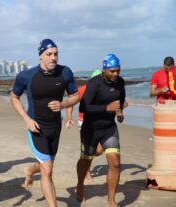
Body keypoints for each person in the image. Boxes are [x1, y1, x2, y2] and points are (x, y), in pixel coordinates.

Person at [11, 39, 80, 207]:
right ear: (40, 56)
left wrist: (63, 104)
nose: (53, 58)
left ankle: (30, 170)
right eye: (49, 54)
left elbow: (76, 96)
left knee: (45, 165)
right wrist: (27, 119)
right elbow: (14, 97)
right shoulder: (26, 76)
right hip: (37, 128)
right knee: (48, 169)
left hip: (55, 128)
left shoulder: (65, 72)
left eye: (56, 54)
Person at [75, 54, 125, 207]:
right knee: (86, 160)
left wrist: (120, 112)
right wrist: (106, 108)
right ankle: (80, 184)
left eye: (118, 70)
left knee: (115, 163)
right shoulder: (94, 84)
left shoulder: (120, 82)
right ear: (104, 70)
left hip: (109, 128)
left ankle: (111, 200)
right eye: (112, 71)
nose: (116, 74)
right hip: (90, 129)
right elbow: (84, 107)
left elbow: (120, 100)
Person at [65, 69, 104, 183]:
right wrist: (69, 118)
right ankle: (87, 171)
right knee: (90, 149)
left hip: (101, 122)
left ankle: (86, 158)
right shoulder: (83, 90)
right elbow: (70, 103)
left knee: (99, 150)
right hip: (85, 122)